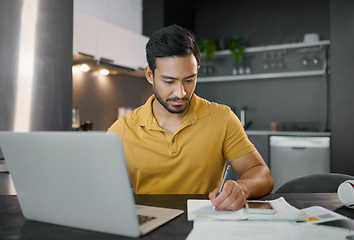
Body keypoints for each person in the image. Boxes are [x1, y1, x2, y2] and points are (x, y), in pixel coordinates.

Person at [108, 24, 274, 211]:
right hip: (149, 226)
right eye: (169, 81)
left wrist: (242, 188)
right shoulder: (121, 130)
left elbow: (262, 174)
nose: (181, 93)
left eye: (189, 80)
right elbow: (100, 187)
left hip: (206, 223)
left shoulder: (222, 118)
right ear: (149, 75)